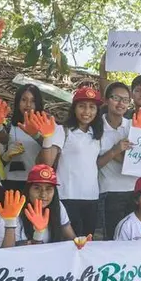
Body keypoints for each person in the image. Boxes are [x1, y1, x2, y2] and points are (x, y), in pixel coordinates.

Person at [41, 86, 103, 238]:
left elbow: (95, 164)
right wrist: (47, 138)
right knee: (68, 242)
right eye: (82, 106)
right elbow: (47, 163)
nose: (87, 111)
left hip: (92, 196)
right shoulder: (63, 130)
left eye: (92, 107)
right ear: (74, 108)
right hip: (67, 195)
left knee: (87, 242)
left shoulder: (97, 134)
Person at [97, 82, 137, 239]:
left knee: (135, 239)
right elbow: (95, 164)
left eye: (125, 100)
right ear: (106, 100)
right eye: (116, 98)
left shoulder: (134, 126)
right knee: (113, 240)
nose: (121, 103)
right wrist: (115, 150)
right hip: (110, 192)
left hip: (135, 191)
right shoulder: (96, 127)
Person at [0, 84, 46, 197]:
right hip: (10, 181)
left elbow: (50, 150)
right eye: (24, 100)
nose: (28, 105)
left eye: (32, 101)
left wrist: (36, 135)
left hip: (36, 181)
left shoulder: (45, 126)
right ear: (17, 102)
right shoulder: (8, 126)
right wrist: (6, 156)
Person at [15, 165, 75, 244]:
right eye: (37, 188)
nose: (43, 195)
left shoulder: (58, 205)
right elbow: (11, 248)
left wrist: (82, 242)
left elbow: (71, 238)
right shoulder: (17, 209)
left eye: (48, 189)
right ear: (28, 190)